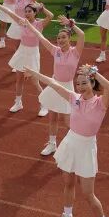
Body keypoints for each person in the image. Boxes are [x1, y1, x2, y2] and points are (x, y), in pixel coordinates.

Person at [24, 64, 109, 217]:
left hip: (86, 147)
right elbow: (54, 84)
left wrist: (94, 72)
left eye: (84, 83)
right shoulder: (74, 98)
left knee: (88, 193)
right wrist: (34, 73)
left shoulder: (100, 103)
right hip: (70, 143)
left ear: (92, 83)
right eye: (78, 84)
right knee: (68, 183)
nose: (80, 87)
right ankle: (67, 216)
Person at [29, 16, 85, 156]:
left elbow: (82, 35)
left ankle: (75, 144)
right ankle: (52, 144)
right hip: (54, 86)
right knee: (53, 117)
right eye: (58, 38)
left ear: (69, 38)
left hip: (67, 88)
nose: (60, 40)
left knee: (68, 120)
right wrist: (28, 25)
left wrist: (71, 24)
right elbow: (40, 37)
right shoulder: (56, 51)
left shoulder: (75, 52)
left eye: (63, 37)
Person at [0, 2, 54, 114]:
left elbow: (50, 16)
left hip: (32, 54)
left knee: (35, 82)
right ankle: (18, 103)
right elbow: (10, 13)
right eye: (26, 11)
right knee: (19, 80)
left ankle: (44, 105)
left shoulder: (39, 24)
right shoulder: (22, 22)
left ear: (35, 13)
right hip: (22, 52)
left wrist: (42, 8)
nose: (27, 13)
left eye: (29, 11)